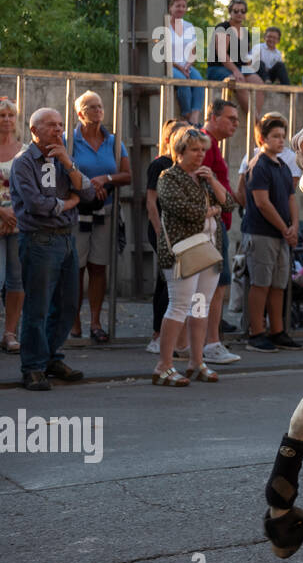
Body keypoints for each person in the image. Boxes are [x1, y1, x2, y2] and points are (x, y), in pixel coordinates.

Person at [8, 108, 95, 390]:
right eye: (51, 126)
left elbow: (89, 193)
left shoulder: (63, 158)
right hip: (38, 240)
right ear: (35, 131)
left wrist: (69, 164)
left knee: (69, 303)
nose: (58, 130)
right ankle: (32, 366)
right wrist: (68, 204)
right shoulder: (23, 162)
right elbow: (36, 206)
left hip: (66, 238)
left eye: (60, 125)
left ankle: (51, 357)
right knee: (38, 306)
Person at [154, 127, 237, 385]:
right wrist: (211, 210)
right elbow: (184, 210)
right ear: (179, 151)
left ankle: (196, 361)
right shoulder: (168, 177)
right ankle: (163, 365)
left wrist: (212, 181)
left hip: (208, 252)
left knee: (199, 307)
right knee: (178, 306)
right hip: (183, 253)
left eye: (203, 149)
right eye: (194, 149)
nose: (200, 154)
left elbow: (230, 204)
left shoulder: (203, 178)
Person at [69, 91, 132, 343]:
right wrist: (85, 186)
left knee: (98, 266)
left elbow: (127, 176)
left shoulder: (114, 142)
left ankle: (96, 322)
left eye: (101, 106)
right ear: (80, 113)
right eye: (92, 107)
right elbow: (62, 174)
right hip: (76, 213)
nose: (98, 111)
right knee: (75, 268)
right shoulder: (69, 141)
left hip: (104, 210)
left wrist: (106, 179)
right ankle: (74, 324)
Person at [241, 113, 302, 353]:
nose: (281, 141)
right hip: (261, 234)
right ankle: (256, 332)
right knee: (261, 283)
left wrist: (294, 226)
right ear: (261, 138)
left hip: (281, 235)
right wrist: (284, 228)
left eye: (282, 136)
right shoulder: (258, 165)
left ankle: (277, 330)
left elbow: (290, 198)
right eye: (275, 136)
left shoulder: (283, 166)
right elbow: (262, 202)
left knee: (278, 285)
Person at [197, 100, 242, 366]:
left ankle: (205, 341)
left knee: (214, 285)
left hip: (218, 223)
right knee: (214, 286)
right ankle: (209, 342)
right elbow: (205, 182)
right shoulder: (205, 142)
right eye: (230, 118)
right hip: (212, 226)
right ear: (212, 117)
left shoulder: (212, 143)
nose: (235, 124)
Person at [145, 118, 189, 355]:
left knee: (176, 282)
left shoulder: (183, 165)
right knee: (165, 281)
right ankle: (157, 335)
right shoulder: (159, 165)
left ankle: (176, 337)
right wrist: (161, 234)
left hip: (182, 231)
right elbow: (151, 202)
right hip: (163, 231)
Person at [0, 98, 25, 354]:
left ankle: (10, 332)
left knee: (17, 281)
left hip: (19, 224)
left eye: (10, 115)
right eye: (1, 115)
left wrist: (14, 214)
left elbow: (32, 188)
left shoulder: (25, 150)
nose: (6, 120)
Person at [209, 0, 260, 113]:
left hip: (238, 68)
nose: (239, 14)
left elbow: (244, 57)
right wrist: (236, 71)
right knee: (239, 82)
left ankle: (256, 120)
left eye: (242, 11)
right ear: (230, 12)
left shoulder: (246, 33)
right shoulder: (223, 27)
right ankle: (257, 122)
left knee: (258, 82)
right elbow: (222, 55)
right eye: (236, 11)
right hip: (218, 68)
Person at [165, 0, 202, 124]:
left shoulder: (189, 26)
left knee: (199, 81)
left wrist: (187, 65)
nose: (181, 9)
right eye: (177, 6)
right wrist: (180, 67)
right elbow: (163, 53)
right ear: (170, 7)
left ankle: (195, 116)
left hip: (186, 65)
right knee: (182, 81)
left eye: (183, 6)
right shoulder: (164, 25)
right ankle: (186, 113)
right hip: (171, 65)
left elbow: (193, 51)